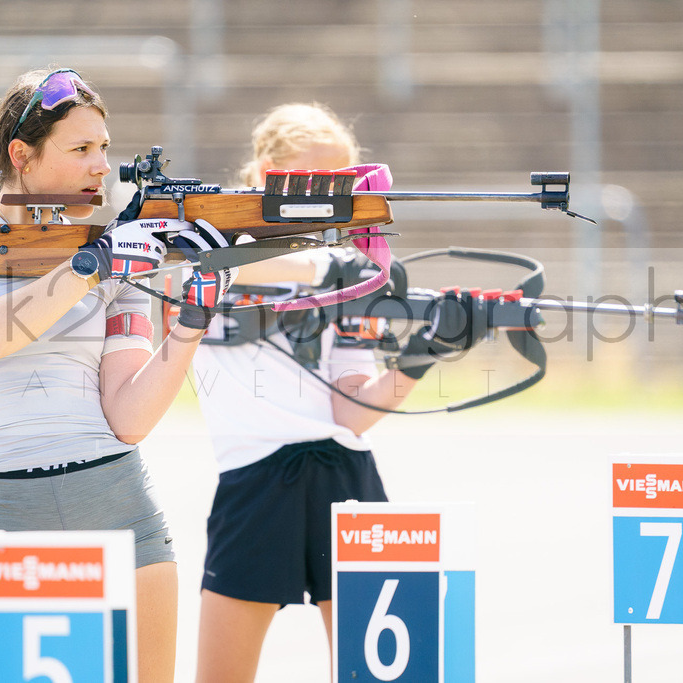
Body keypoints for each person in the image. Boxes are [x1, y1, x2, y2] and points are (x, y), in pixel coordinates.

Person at [0, 68, 233, 683]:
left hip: (117, 503)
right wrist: (92, 265)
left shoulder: (116, 252)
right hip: (2, 506)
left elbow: (128, 418)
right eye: (80, 149)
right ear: (21, 156)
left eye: (104, 148)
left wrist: (193, 316)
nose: (102, 167)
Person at [189, 102, 475, 682]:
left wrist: (427, 350)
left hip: (346, 475)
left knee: (389, 673)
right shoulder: (212, 235)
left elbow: (352, 409)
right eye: (319, 183)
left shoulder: (348, 269)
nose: (332, 202)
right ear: (268, 172)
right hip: (254, 481)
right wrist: (337, 268)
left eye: (343, 187)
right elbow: (210, 264)